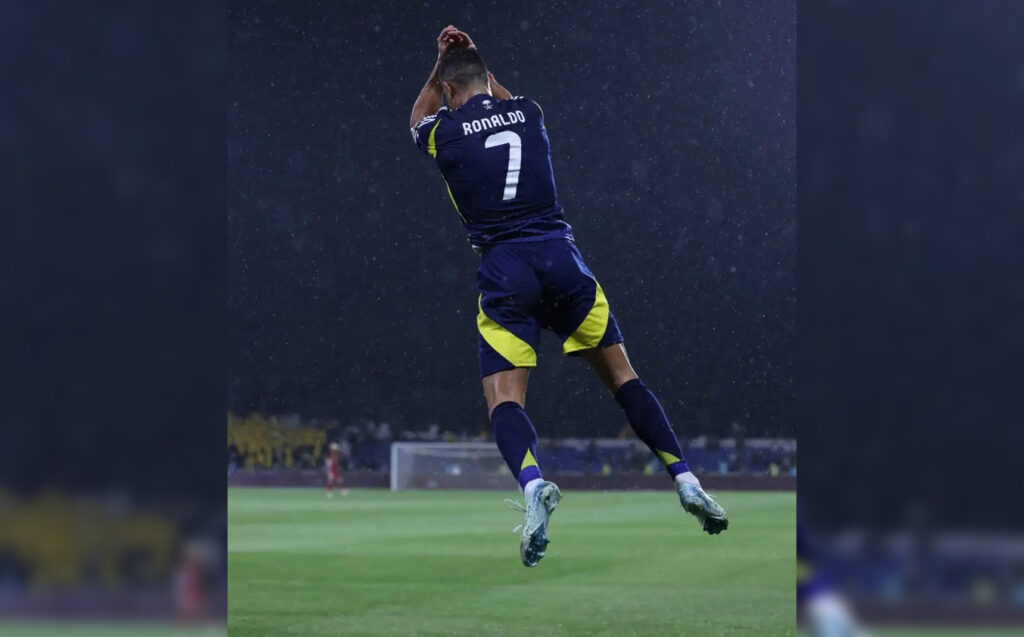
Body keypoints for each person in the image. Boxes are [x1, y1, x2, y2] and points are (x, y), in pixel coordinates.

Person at [409, 26, 727, 567]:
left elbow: (415, 119)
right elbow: (494, 96)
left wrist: (438, 67)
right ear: (489, 79)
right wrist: (470, 65)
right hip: (561, 257)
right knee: (624, 378)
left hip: (506, 268)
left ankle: (534, 486)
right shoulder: (528, 112)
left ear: (447, 91)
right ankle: (686, 479)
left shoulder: (445, 133)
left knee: (505, 399)